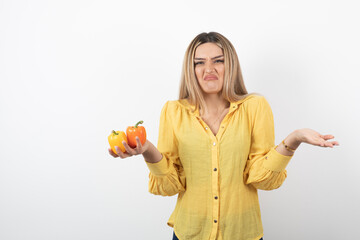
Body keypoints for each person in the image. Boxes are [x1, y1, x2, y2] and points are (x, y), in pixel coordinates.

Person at [108, 32, 339, 240]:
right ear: (191, 69)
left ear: (231, 65)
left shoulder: (255, 107)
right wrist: (147, 149)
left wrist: (293, 140)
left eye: (218, 61)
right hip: (190, 232)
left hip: (242, 233)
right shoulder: (173, 111)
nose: (209, 69)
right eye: (200, 63)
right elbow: (170, 184)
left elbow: (261, 178)